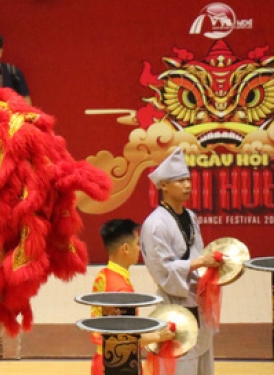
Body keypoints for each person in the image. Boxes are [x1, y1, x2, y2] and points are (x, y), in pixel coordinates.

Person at [141, 147, 223, 375]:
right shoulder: (155, 224)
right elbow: (162, 272)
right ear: (163, 186)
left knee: (203, 358)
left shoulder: (190, 216)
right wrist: (197, 264)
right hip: (176, 305)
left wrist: (213, 269)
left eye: (188, 180)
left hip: (198, 298)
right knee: (181, 364)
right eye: (179, 181)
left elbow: (197, 252)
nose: (187, 185)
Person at [90, 219, 175, 375]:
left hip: (102, 360)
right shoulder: (122, 289)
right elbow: (124, 341)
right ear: (126, 249)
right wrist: (159, 336)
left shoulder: (103, 275)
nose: (139, 249)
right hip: (118, 366)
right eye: (137, 244)